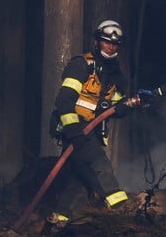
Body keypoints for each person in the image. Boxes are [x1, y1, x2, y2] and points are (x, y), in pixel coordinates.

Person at [44, 20, 152, 234]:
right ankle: (123, 210)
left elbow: (116, 107)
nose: (111, 47)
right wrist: (73, 130)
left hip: (91, 133)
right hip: (74, 130)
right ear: (97, 41)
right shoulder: (81, 65)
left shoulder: (116, 76)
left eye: (115, 44)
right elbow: (64, 100)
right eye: (106, 42)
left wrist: (133, 104)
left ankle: (56, 223)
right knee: (99, 166)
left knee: (80, 184)